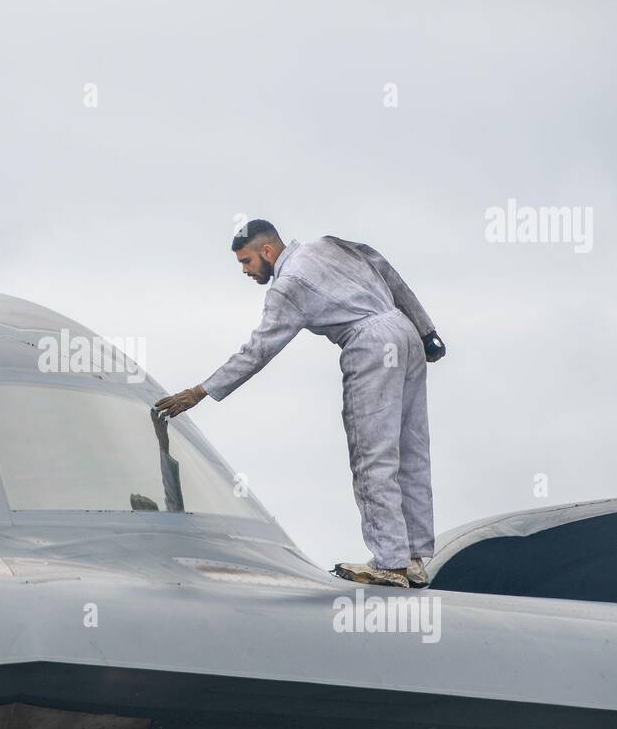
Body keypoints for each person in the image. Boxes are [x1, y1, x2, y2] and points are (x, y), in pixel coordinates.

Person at [155, 219, 447, 589]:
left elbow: (258, 350)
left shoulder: (288, 285)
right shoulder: (327, 245)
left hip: (369, 344)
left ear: (267, 251)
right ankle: (416, 559)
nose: (245, 271)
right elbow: (384, 268)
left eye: (246, 261)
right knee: (412, 449)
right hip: (403, 333)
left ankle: (391, 563)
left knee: (372, 454)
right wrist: (426, 330)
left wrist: (200, 391)